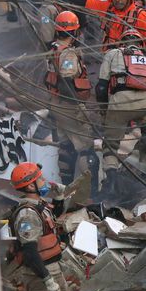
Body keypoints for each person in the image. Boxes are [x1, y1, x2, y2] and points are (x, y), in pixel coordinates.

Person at [95, 30, 146, 196]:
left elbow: (101, 87)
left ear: (121, 43)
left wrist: (105, 112)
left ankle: (110, 181)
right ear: (141, 44)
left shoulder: (113, 53)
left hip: (121, 104)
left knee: (110, 143)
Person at [3, 163, 71, 291]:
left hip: (52, 266)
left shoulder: (38, 205)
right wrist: (47, 279)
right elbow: (30, 252)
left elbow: (51, 220)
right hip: (39, 273)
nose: (44, 180)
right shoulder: (27, 214)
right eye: (40, 178)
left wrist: (59, 197)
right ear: (31, 187)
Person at [35, 0, 146, 50]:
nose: (117, 0)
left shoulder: (141, 17)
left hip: (133, 61)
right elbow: (82, 0)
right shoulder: (106, 7)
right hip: (111, 61)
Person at [44, 11, 96, 178]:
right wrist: (77, 110)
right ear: (74, 32)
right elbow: (67, 82)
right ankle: (91, 190)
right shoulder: (68, 53)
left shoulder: (53, 49)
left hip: (55, 104)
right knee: (86, 149)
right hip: (69, 107)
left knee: (66, 148)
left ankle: (65, 186)